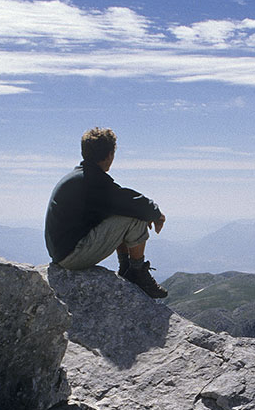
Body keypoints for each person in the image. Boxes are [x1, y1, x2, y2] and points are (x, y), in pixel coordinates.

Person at [44, 127, 168, 298]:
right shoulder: (93, 181)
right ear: (110, 154)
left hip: (62, 252)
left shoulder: (80, 177)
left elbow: (124, 201)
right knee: (135, 217)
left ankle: (126, 267)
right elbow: (136, 205)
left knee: (122, 211)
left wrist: (149, 211)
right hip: (73, 256)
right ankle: (137, 271)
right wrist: (156, 214)